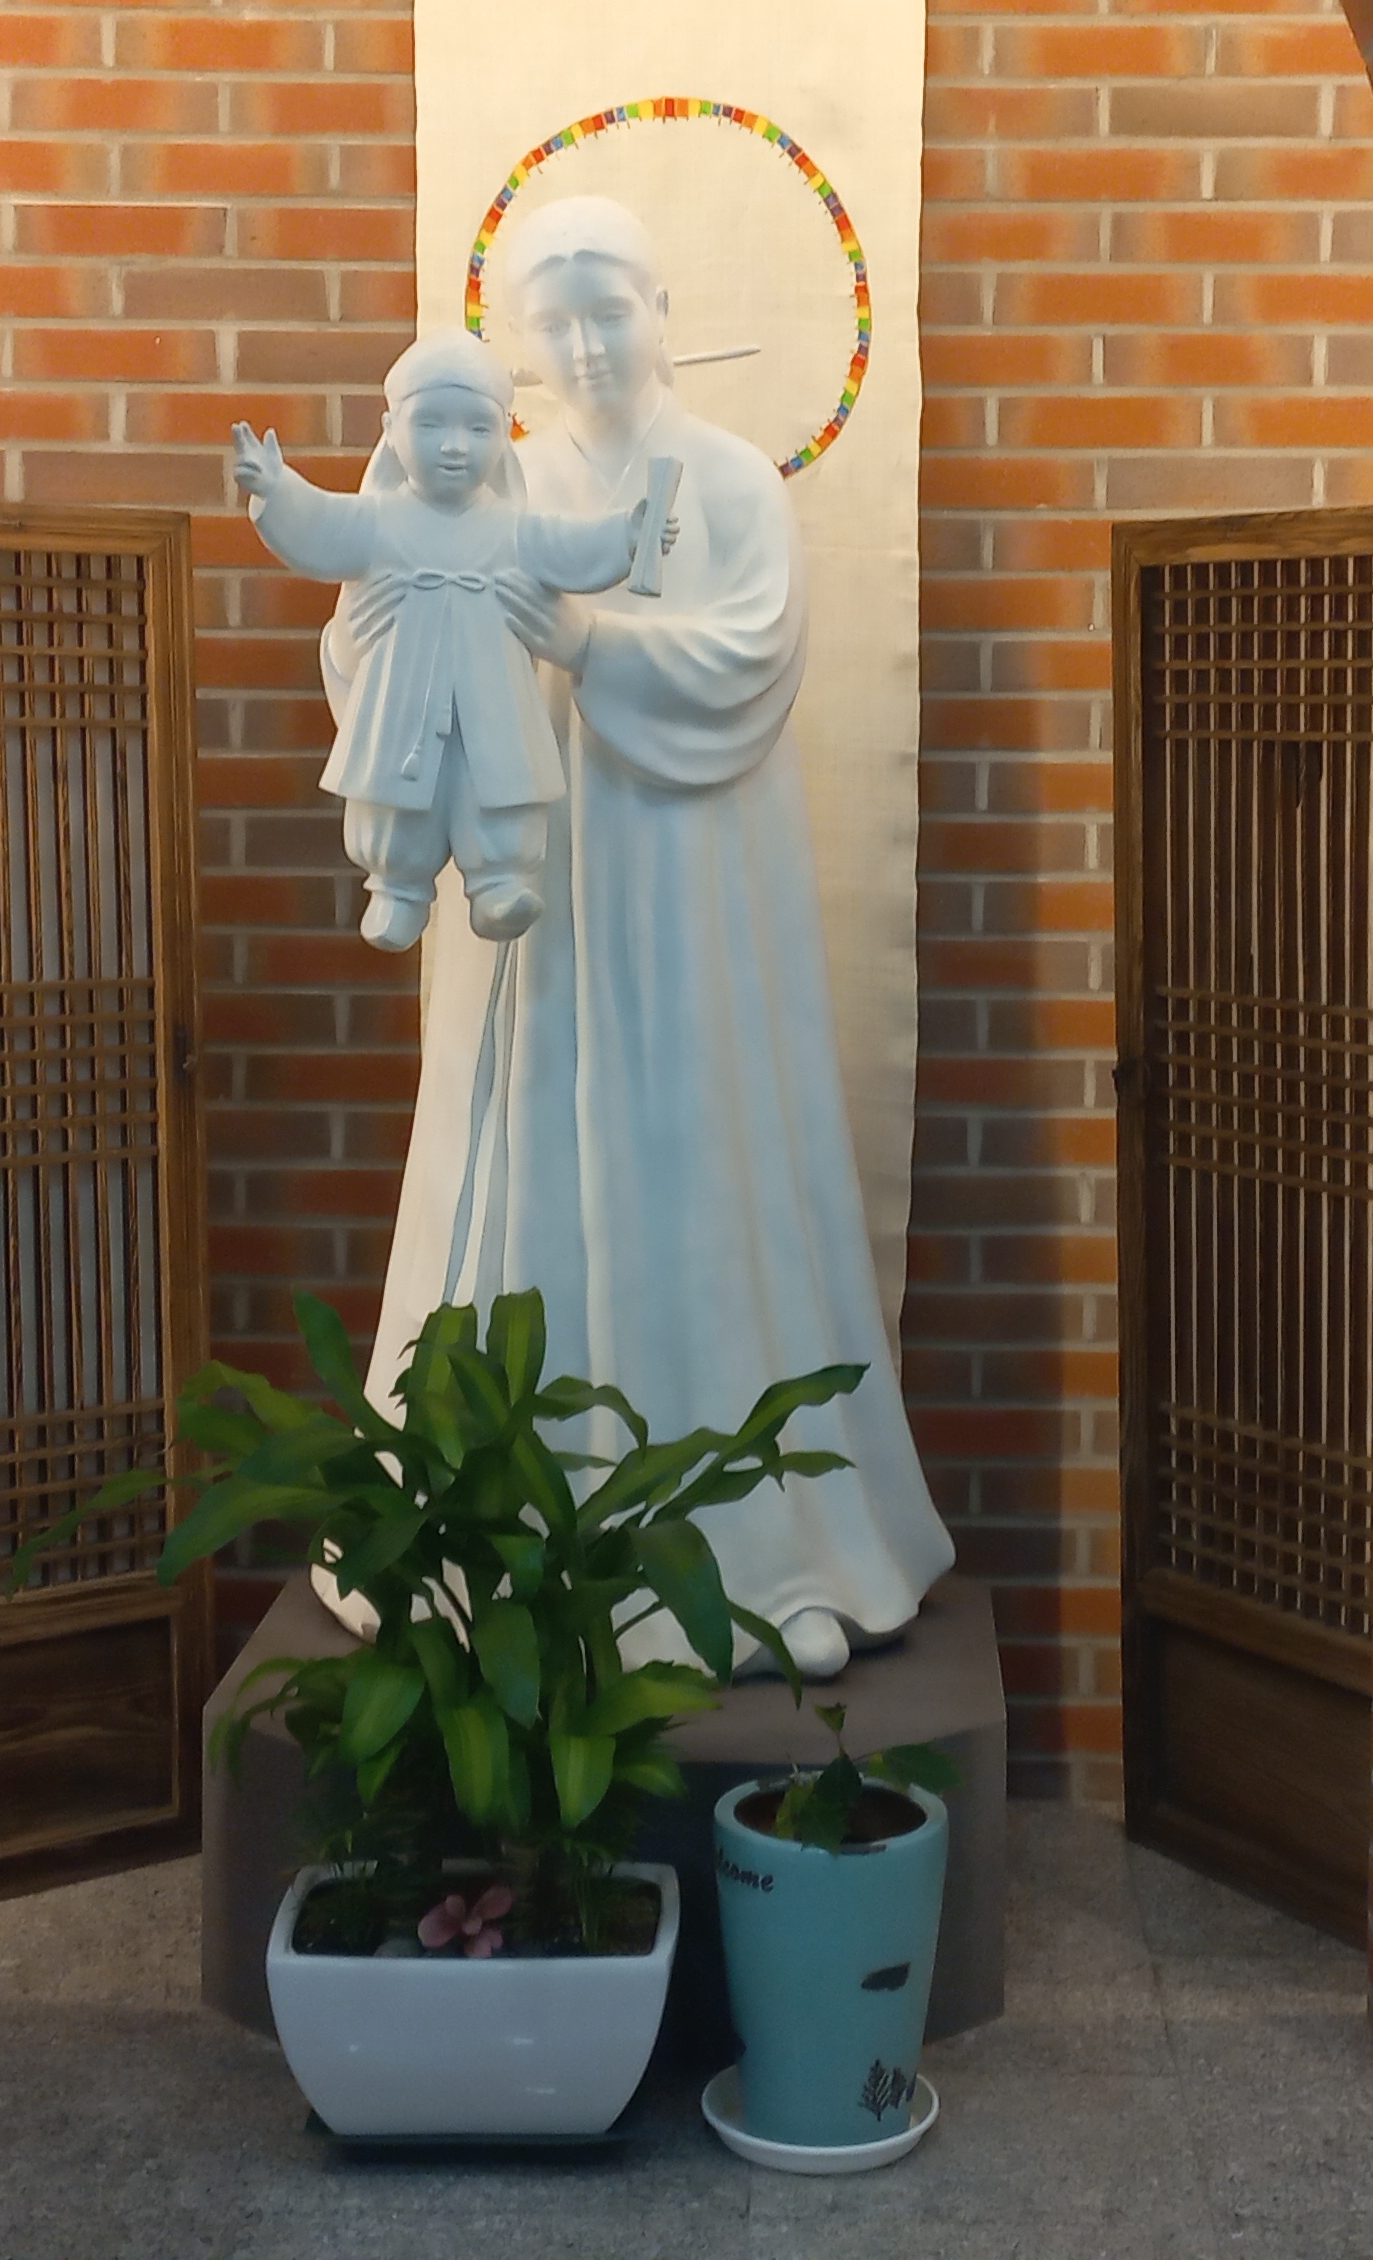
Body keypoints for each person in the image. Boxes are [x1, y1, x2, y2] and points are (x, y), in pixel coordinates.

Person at [332, 192, 952, 1681]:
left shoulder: (730, 481)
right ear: (520, 345)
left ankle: (766, 1551)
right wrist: (390, 552)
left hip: (692, 889)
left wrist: (590, 640)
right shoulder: (495, 472)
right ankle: (497, 1552)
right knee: (527, 1153)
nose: (587, 345)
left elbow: (755, 651)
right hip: (532, 905)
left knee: (698, 1158)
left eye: (610, 311)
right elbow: (372, 629)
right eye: (554, 323)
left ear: (664, 313)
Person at [230, 333, 671, 951]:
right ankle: (397, 888)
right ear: (392, 430)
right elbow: (323, 523)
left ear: (503, 436)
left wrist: (626, 535)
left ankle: (500, 882)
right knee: (396, 802)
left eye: (478, 428)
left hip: (492, 696)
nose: (455, 446)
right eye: (431, 424)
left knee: (498, 793)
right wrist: (277, 490)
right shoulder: (377, 521)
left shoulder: (515, 530)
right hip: (402, 695)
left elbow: (570, 547)